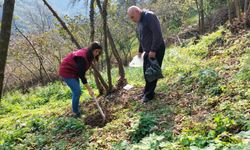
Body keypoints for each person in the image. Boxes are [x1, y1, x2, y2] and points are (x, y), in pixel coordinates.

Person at [127, 6, 165, 102]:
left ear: (137, 11)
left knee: (152, 73)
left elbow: (157, 34)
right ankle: (146, 91)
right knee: (146, 73)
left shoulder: (149, 16)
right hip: (148, 52)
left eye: (132, 17)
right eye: (130, 18)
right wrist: (140, 50)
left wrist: (153, 50)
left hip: (156, 49)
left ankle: (149, 95)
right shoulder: (140, 21)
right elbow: (143, 37)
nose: (132, 20)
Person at [59, 41, 102, 117]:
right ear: (91, 50)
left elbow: (81, 72)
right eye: (96, 51)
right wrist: (89, 89)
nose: (97, 53)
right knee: (77, 91)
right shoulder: (82, 57)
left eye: (99, 52)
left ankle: (76, 108)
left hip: (74, 72)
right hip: (67, 71)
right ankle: (76, 113)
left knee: (77, 92)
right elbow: (81, 75)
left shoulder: (89, 55)